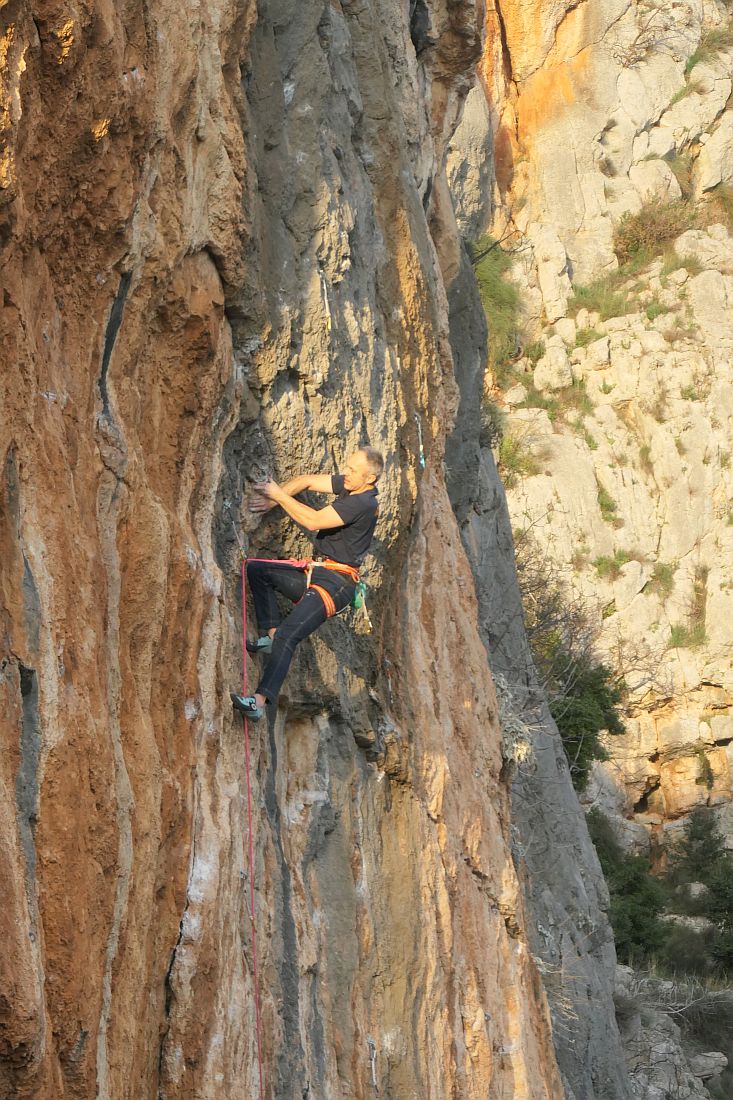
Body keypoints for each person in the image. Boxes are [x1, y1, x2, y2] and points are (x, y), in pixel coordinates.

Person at [230, 447, 383, 720]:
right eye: (346, 467)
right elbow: (308, 480)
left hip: (337, 584)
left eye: (353, 471)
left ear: (369, 479)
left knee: (292, 635)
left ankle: (258, 702)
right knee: (257, 569)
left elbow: (313, 522)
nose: (345, 474)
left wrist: (277, 494)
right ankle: (271, 637)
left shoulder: (362, 503)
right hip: (321, 573)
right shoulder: (353, 486)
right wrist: (275, 501)